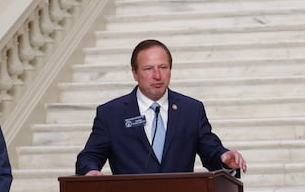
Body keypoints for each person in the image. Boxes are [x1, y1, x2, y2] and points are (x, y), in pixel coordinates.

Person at [76, 39, 247, 176]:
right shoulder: (112, 114)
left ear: (170, 69)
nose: (157, 76)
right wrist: (90, 171)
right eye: (149, 69)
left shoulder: (191, 110)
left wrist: (224, 158)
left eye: (163, 68)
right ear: (135, 73)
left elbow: (211, 150)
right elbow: (89, 156)